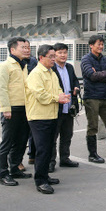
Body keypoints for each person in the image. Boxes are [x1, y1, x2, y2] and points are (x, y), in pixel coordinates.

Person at [25, 45, 71, 194]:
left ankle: (45, 175)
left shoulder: (51, 73)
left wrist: (62, 96)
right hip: (39, 117)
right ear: (41, 57)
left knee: (49, 147)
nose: (54, 59)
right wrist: (57, 98)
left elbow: (57, 89)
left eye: (54, 56)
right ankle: (40, 180)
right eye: (51, 56)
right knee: (43, 149)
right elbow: (40, 95)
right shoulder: (36, 74)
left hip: (51, 115)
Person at [0, 37, 32, 186]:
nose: (27, 50)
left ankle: (15, 168)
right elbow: (1, 89)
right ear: (12, 50)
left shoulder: (23, 66)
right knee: (7, 143)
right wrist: (5, 108)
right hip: (12, 109)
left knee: (22, 141)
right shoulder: (5, 66)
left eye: (28, 47)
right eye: (23, 47)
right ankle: (3, 174)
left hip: (25, 108)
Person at [81, 35, 106, 161]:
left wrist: (101, 74)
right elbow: (91, 76)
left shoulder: (104, 59)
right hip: (91, 97)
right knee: (93, 126)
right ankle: (92, 154)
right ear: (91, 45)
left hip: (104, 97)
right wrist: (103, 74)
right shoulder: (86, 59)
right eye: (98, 44)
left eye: (102, 44)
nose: (101, 46)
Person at [51, 43, 81, 171]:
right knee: (53, 137)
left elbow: (75, 80)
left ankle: (64, 158)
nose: (63, 55)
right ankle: (50, 162)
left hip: (69, 107)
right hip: (56, 108)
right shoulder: (51, 68)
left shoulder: (69, 67)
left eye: (65, 52)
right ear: (54, 54)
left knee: (67, 135)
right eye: (60, 53)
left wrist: (77, 87)